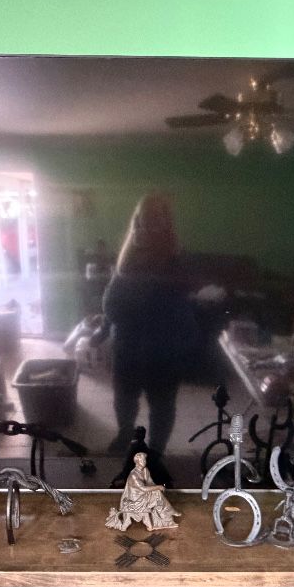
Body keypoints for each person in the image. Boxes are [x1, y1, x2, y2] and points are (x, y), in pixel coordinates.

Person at [102, 193, 198, 454]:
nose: (146, 225)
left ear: (166, 223)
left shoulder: (177, 260)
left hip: (163, 350)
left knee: (162, 404)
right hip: (127, 346)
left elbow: (178, 306)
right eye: (142, 219)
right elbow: (111, 303)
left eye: (155, 219)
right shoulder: (127, 259)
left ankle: (156, 450)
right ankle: (125, 434)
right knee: (124, 398)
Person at [105, 452, 181, 531]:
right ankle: (170, 512)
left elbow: (150, 482)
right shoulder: (133, 475)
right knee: (157, 493)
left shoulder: (145, 470)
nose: (144, 462)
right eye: (142, 460)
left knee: (157, 493)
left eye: (145, 460)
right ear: (137, 462)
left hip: (143, 495)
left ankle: (166, 517)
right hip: (136, 500)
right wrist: (158, 487)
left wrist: (157, 488)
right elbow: (143, 488)